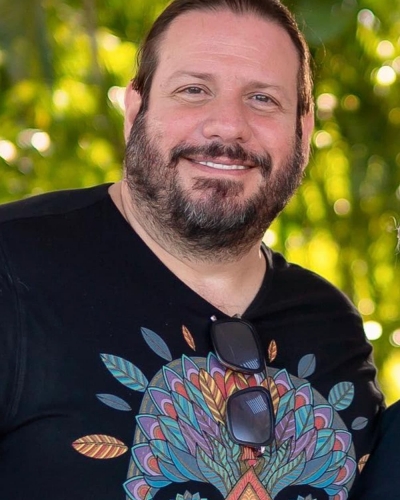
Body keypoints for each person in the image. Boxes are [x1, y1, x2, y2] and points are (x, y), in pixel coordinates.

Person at [0, 0, 384, 499]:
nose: (227, 125)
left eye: (263, 98)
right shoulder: (14, 266)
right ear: (135, 109)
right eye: (194, 90)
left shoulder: (330, 325)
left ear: (303, 130)